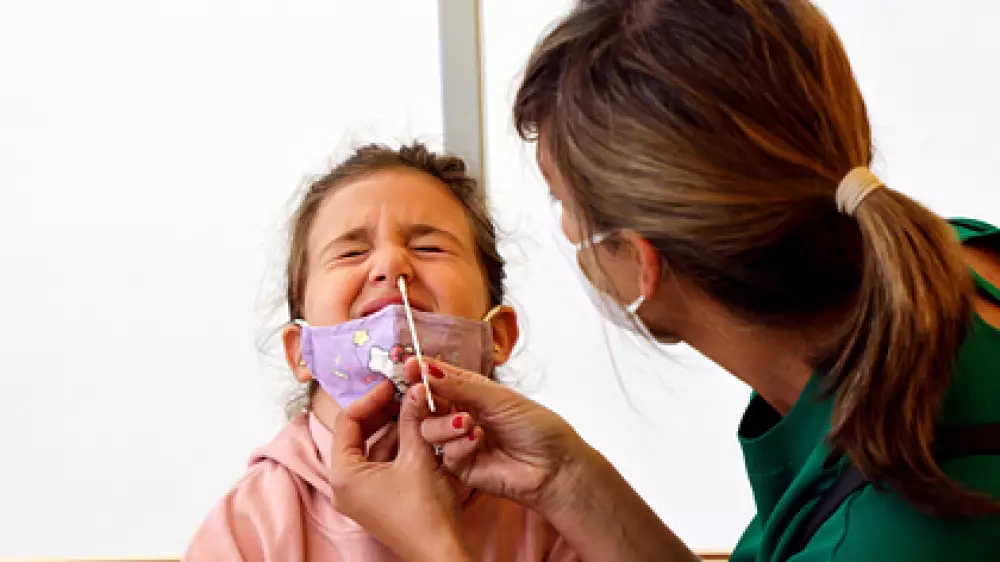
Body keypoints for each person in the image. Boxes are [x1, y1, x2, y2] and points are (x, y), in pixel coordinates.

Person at [323, 1, 1000, 561]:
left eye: (562, 202)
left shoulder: (886, 536)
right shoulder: (953, 260)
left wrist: (435, 548)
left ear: (640, 260)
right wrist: (567, 475)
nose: (391, 268)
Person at [183, 143, 578, 561]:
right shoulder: (248, 529)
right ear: (301, 353)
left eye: (430, 248)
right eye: (351, 253)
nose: (391, 265)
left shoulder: (546, 511)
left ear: (498, 336)